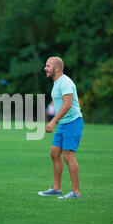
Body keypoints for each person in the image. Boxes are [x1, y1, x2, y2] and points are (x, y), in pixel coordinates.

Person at [38, 57, 84, 199]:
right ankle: (57, 189)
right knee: (54, 153)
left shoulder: (65, 82)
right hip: (64, 123)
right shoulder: (57, 82)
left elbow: (67, 105)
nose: (45, 68)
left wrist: (53, 122)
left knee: (68, 155)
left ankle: (75, 192)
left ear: (56, 68)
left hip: (73, 122)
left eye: (48, 66)